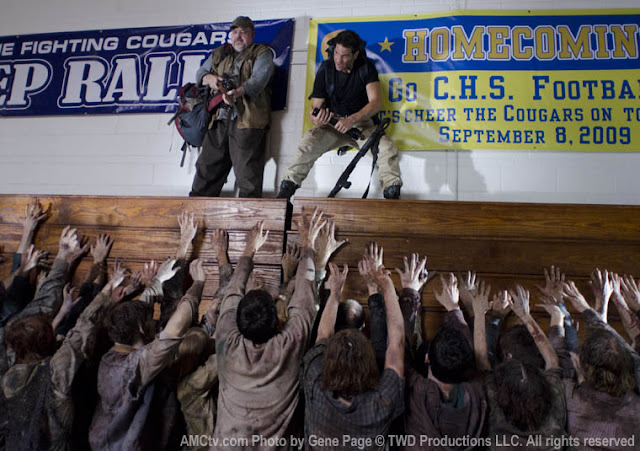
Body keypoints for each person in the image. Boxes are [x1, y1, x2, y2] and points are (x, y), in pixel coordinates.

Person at [213, 210, 324, 447]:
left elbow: (232, 292)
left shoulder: (225, 338)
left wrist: (249, 249)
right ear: (278, 322)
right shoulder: (290, 343)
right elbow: (305, 298)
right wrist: (307, 243)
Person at [277, 29, 402, 200]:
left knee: (387, 148)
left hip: (362, 125)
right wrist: (317, 120)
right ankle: (284, 196)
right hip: (332, 125)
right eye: (336, 53)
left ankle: (392, 199)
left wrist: (352, 120)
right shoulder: (326, 69)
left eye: (344, 56)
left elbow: (375, 103)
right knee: (306, 146)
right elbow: (314, 110)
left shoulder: (366, 67)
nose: (338, 59)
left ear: (355, 54)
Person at [190, 16, 275, 198]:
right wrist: (211, 80)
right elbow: (200, 74)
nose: (238, 36)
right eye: (235, 32)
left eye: (243, 32)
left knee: (247, 175)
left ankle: (250, 224)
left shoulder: (262, 53)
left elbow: (258, 81)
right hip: (218, 120)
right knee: (206, 169)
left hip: (248, 121)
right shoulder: (219, 53)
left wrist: (238, 92)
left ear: (251, 34)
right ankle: (194, 219)